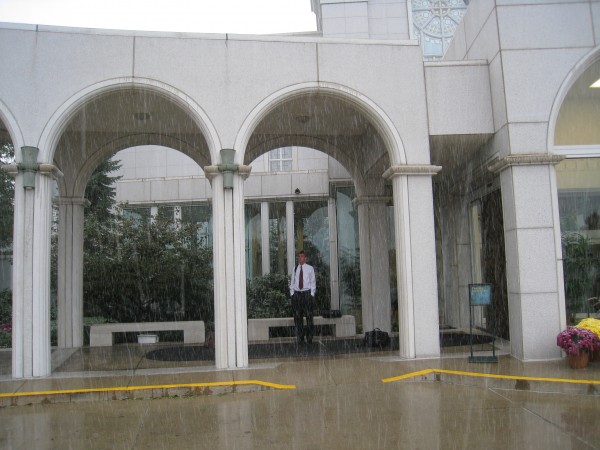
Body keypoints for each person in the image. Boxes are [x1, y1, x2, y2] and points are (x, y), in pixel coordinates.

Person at [289, 250, 316, 343]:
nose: (300, 258)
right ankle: (300, 337)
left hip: (306, 294)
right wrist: (292, 293)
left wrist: (311, 294)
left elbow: (313, 282)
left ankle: (309, 338)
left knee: (309, 316)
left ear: (305, 258)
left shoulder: (310, 268)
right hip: (297, 294)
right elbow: (292, 281)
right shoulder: (295, 268)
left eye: (302, 256)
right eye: (299, 256)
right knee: (297, 316)